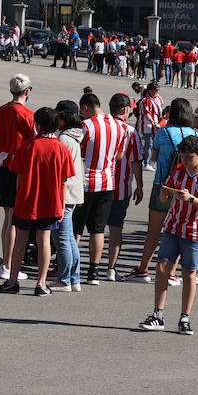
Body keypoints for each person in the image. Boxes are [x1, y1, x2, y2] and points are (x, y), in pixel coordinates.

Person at [137, 134, 198, 335]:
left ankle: (185, 317)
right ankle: (158, 314)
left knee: (189, 272)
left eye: (189, 157)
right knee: (162, 266)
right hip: (173, 226)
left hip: (194, 230)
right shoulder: (179, 170)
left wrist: (191, 199)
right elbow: (166, 196)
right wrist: (165, 193)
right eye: (182, 157)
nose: (185, 161)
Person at [0, 106, 75, 296]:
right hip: (51, 202)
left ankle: (12, 280)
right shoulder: (61, 149)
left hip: (26, 200)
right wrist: (61, 204)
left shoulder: (27, 146)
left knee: (20, 241)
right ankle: (41, 283)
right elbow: (64, 182)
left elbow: (18, 177)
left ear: (37, 125)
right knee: (44, 241)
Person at [127, 98, 197, 283]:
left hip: (163, 185)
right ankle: (172, 272)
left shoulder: (164, 132)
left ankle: (143, 269)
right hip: (185, 188)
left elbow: (154, 157)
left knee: (154, 231)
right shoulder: (194, 133)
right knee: (179, 231)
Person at [0, 74, 36, 284]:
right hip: (18, 167)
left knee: (8, 215)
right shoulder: (28, 115)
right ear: (27, 91)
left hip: (2, 165)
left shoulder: (0, 111)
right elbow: (32, 141)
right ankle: (8, 265)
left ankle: (6, 262)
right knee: (14, 218)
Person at [80, 91, 121, 286]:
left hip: (87, 182)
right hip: (107, 182)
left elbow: (78, 151)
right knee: (98, 229)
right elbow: (119, 154)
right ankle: (93, 272)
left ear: (85, 108)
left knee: (77, 228)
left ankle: (68, 269)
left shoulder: (87, 125)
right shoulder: (118, 126)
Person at [105, 92, 144, 280]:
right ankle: (111, 269)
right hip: (120, 188)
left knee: (93, 228)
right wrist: (140, 185)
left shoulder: (101, 126)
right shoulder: (130, 132)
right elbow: (136, 161)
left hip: (97, 185)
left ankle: (86, 268)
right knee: (115, 229)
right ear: (124, 109)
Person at [53, 100, 86, 292]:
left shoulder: (64, 139)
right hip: (74, 192)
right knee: (69, 238)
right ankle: (74, 278)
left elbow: (61, 171)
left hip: (65, 194)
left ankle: (64, 279)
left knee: (63, 239)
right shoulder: (74, 136)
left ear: (64, 117)